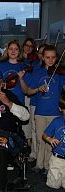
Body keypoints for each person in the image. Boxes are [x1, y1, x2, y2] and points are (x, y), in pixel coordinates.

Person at [19, 45, 65, 175]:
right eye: (47, 58)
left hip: (55, 112)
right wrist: (38, 89)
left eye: (53, 58)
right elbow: (28, 91)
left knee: (51, 141)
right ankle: (39, 164)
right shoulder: (38, 72)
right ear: (43, 58)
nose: (50, 60)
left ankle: (47, 165)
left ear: (56, 58)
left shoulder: (59, 73)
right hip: (40, 112)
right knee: (40, 139)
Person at [42, 91, 65, 189]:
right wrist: (49, 139)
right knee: (53, 185)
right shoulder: (57, 121)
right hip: (57, 159)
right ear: (60, 109)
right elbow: (44, 135)